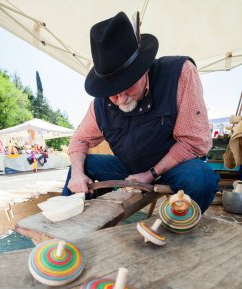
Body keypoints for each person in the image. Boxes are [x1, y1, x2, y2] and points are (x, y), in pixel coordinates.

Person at [62, 11, 220, 213]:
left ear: (143, 69)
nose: (121, 99)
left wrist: (151, 173)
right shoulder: (100, 104)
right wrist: (77, 173)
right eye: (112, 92)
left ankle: (177, 231)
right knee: (81, 167)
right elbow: (79, 141)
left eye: (126, 86)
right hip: (129, 168)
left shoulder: (179, 74)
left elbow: (193, 143)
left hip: (174, 167)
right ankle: (68, 233)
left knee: (202, 178)